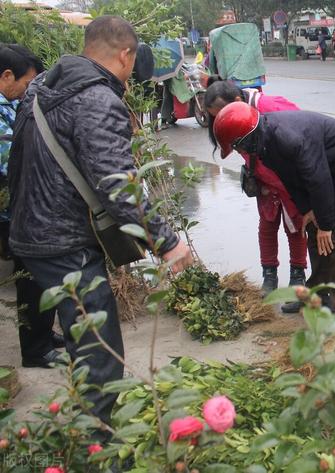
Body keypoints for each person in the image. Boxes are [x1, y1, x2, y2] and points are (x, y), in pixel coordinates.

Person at [8, 16, 193, 429]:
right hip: (65, 243)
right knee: (100, 356)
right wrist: (166, 241)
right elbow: (117, 184)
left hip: (33, 235)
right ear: (125, 55)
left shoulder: (41, 88)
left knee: (83, 345)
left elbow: (17, 163)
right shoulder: (96, 98)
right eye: (132, 64)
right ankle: (99, 448)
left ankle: (86, 430)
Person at [213, 102, 335, 321]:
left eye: (238, 147)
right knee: (312, 229)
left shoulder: (289, 139)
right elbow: (289, 178)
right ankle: (319, 298)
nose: (239, 152)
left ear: (246, 138)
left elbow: (319, 179)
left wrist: (327, 225)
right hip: (321, 168)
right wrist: (307, 209)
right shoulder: (264, 142)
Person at [204, 80, 307, 312]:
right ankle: (269, 276)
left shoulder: (272, 108)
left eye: (220, 115)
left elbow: (303, 141)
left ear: (238, 103)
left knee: (295, 227)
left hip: (288, 178)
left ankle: (297, 281)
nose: (219, 122)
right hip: (264, 179)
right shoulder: (233, 118)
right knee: (267, 225)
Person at [0, 44, 66, 368]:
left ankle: (43, 334)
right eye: (27, 84)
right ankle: (34, 350)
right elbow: (9, 158)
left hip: (29, 204)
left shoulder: (11, 104)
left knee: (40, 277)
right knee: (29, 279)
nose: (29, 91)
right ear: (7, 76)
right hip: (18, 207)